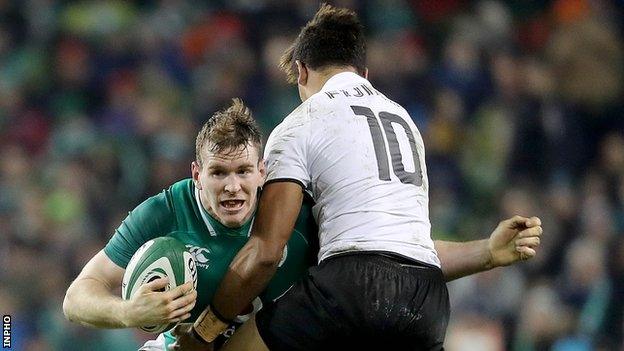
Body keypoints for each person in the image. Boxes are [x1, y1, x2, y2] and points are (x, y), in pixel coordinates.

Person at [174, 4, 543, 351]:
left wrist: (206, 330)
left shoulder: (301, 123)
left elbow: (267, 252)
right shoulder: (406, 122)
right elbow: (404, 250)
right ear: (363, 74)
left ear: (301, 72)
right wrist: (487, 253)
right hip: (427, 301)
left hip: (349, 290)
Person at [62, 99, 319, 351]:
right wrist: (128, 312)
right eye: (219, 172)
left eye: (243, 171)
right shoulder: (166, 212)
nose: (232, 187)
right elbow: (76, 299)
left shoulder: (295, 213)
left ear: (262, 172)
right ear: (197, 174)